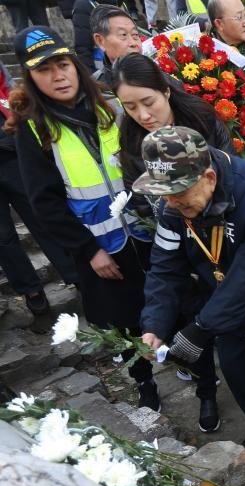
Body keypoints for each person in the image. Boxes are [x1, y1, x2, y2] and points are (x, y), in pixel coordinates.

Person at [135, 126, 245, 486]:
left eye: (180, 197)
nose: (172, 206)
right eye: (165, 197)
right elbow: (165, 269)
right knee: (238, 371)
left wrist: (201, 328)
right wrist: (153, 325)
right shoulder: (173, 207)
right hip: (221, 304)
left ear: (209, 178)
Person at [9, 27, 160, 411]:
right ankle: (145, 384)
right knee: (124, 322)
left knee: (167, 302)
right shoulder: (34, 126)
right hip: (99, 246)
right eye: (45, 71)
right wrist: (88, 249)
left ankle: (193, 369)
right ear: (31, 78)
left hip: (145, 230)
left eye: (62, 65)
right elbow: (44, 203)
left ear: (75, 64)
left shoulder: (110, 103)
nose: (58, 76)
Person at [113, 52, 233, 432]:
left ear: (165, 90)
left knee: (221, 311)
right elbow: (139, 194)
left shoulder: (202, 118)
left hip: (217, 233)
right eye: (130, 107)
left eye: (148, 103)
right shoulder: (131, 138)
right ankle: (206, 391)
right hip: (168, 237)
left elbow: (230, 174)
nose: (143, 115)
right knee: (184, 313)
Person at [0, 62, 78, 315]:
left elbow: (6, 87)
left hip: (8, 148)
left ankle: (73, 272)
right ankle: (29, 288)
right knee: (2, 235)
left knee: (39, 214)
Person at [90, 4, 141, 89]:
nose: (133, 43)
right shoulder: (97, 90)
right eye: (123, 35)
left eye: (135, 34)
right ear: (100, 41)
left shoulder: (157, 72)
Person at [72, 0, 125, 71]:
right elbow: (82, 47)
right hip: (105, 71)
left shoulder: (120, 3)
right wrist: (92, 77)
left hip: (127, 66)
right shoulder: (84, 5)